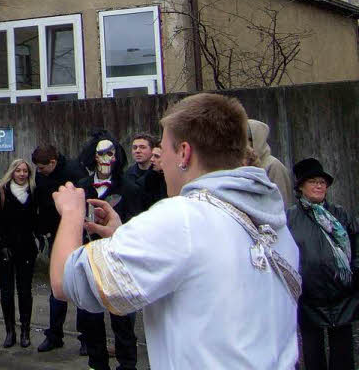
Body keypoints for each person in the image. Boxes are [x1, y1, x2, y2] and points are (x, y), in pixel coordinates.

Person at [51, 93, 300, 370]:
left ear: (184, 153)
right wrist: (122, 234)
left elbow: (65, 281)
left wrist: (72, 214)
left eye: (164, 151)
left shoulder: (181, 219)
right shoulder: (272, 223)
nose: (162, 163)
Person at [75, 131, 143, 370]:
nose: (105, 158)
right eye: (101, 153)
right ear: (93, 156)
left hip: (119, 261)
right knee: (91, 319)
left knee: (122, 320)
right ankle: (97, 363)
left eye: (110, 153)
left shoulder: (129, 187)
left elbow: (136, 224)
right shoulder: (82, 188)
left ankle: (127, 365)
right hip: (90, 259)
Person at [288, 158, 358, 370]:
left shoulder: (340, 214)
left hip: (342, 296)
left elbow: (355, 245)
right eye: (313, 181)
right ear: (301, 186)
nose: (319, 186)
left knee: (343, 357)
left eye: (322, 182)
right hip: (309, 299)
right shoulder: (291, 218)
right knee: (313, 356)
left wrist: (354, 275)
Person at [31, 143, 88, 353]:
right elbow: (42, 204)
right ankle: (54, 335)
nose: (39, 172)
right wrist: (42, 230)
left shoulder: (74, 173)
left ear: (53, 163)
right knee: (57, 288)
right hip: (55, 234)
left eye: (43, 168)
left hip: (77, 235)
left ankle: (86, 339)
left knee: (82, 287)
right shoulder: (42, 176)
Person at [0, 158, 39, 349]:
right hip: (4, 250)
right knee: (7, 291)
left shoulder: (33, 192)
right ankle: (10, 331)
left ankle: (25, 331)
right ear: (12, 172)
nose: (22, 174)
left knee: (25, 291)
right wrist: (1, 245)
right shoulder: (0, 193)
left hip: (26, 249)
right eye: (18, 171)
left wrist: (39, 237)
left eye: (25, 171)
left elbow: (37, 219)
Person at [247, 119, 293, 210]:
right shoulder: (242, 165)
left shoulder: (274, 166)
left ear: (256, 140)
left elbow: (283, 203)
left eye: (246, 139)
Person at [126, 133, 166, 210]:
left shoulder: (162, 175)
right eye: (134, 147)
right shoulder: (127, 176)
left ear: (152, 150)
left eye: (142, 147)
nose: (137, 151)